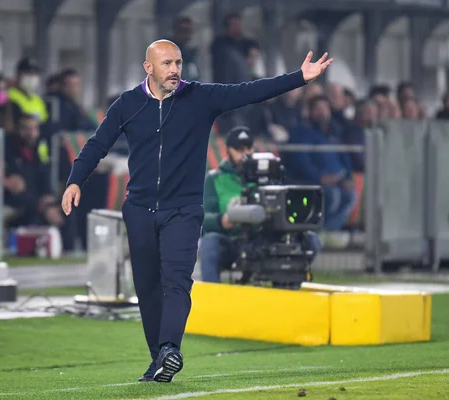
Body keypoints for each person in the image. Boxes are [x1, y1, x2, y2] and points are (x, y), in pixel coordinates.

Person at [61, 39, 332, 383]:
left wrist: (299, 77)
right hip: (140, 210)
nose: (175, 70)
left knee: (177, 281)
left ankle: (170, 348)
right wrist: (74, 181)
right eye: (167, 64)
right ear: (149, 68)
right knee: (147, 287)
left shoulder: (200, 97)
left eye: (178, 63)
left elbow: (250, 91)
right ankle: (159, 359)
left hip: (184, 209)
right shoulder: (127, 104)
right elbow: (97, 144)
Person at [199, 126, 321, 283]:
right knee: (210, 243)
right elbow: (202, 218)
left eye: (248, 148)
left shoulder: (271, 176)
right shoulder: (215, 178)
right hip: (235, 240)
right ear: (228, 150)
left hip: (268, 239)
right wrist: (222, 220)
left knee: (311, 240)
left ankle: (291, 284)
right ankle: (212, 297)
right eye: (239, 149)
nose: (245, 153)